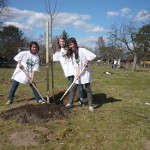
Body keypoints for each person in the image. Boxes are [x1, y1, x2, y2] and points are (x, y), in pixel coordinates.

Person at [66, 37, 96, 111]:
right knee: (73, 88)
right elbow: (74, 65)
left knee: (88, 90)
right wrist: (77, 73)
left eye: (72, 44)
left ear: (75, 43)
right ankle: (70, 103)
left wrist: (87, 61)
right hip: (78, 74)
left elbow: (92, 55)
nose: (71, 46)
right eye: (69, 45)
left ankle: (90, 105)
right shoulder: (72, 54)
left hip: (85, 73)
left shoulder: (82, 50)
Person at [53, 36, 84, 105]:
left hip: (75, 69)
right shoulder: (58, 52)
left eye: (63, 41)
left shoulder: (69, 48)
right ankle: (72, 100)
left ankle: (81, 98)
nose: (62, 43)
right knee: (72, 85)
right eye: (60, 41)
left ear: (65, 42)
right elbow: (53, 58)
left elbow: (76, 53)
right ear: (58, 42)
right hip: (68, 71)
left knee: (79, 84)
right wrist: (50, 49)